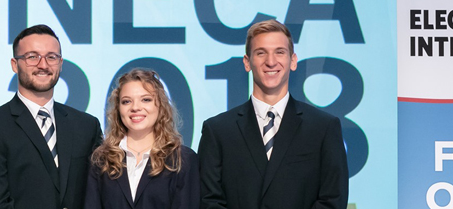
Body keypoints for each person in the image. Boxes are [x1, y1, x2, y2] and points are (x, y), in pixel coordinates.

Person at [198, 19, 349, 209]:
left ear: (292, 61)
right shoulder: (218, 131)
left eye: (279, 52)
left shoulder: (323, 127)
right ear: (247, 62)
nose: (271, 62)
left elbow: (333, 200)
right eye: (261, 53)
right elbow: (208, 201)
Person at [0, 24, 103, 209]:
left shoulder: (87, 126)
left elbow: (100, 194)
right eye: (32, 57)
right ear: (15, 65)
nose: (43, 65)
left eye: (51, 57)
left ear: (60, 64)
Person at [84, 69, 198, 209]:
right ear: (118, 109)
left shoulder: (183, 159)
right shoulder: (101, 159)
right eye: (126, 101)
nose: (135, 107)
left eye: (146, 100)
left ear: (160, 105)